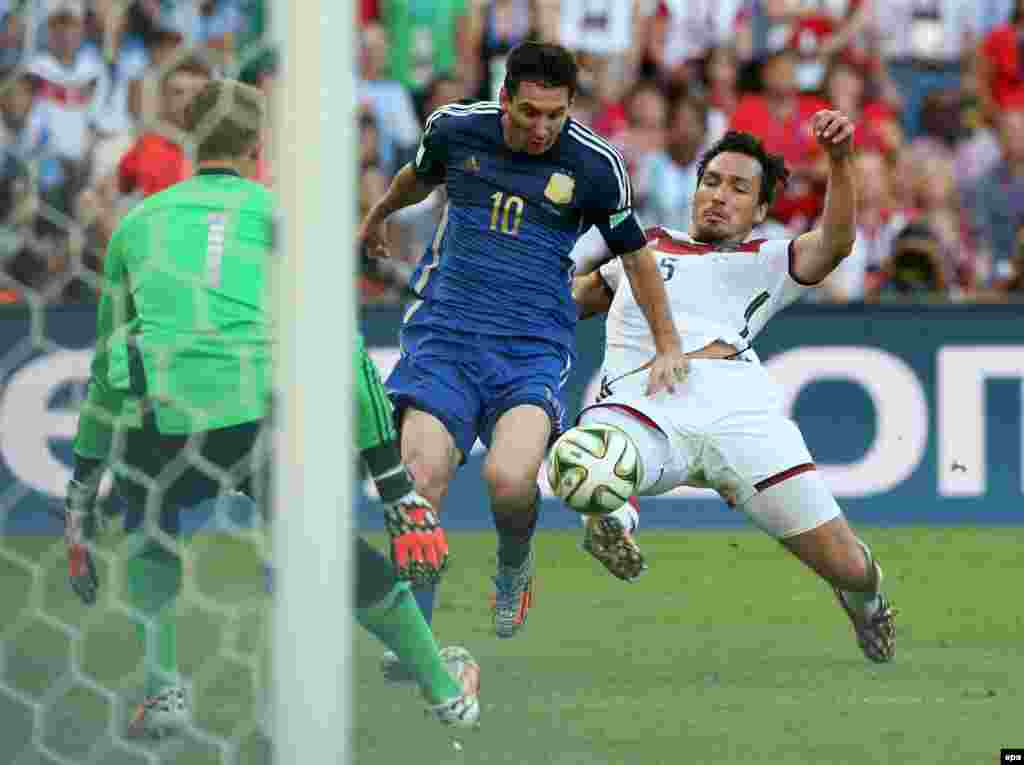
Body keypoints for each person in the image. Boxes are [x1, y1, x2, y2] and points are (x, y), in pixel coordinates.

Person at [62, 79, 479, 739]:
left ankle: (163, 686)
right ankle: (441, 687)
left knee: (150, 517)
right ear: (260, 146)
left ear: (188, 141)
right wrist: (394, 486)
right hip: (269, 419)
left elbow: (110, 372)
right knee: (332, 553)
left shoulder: (135, 227)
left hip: (171, 420)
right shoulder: (288, 220)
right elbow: (345, 353)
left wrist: (80, 496)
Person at [359, 41, 687, 641]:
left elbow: (636, 258)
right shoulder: (457, 130)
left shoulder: (595, 166)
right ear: (504, 97)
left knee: (509, 483)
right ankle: (418, 642)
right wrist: (377, 215)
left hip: (529, 347)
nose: (541, 128)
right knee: (420, 481)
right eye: (529, 112)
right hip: (445, 337)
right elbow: (417, 178)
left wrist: (668, 343)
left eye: (554, 115)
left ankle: (514, 565)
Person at [568, 115, 897, 663]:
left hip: (738, 411)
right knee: (586, 456)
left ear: (761, 211)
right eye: (712, 181)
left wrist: (839, 161)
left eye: (739, 188)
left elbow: (837, 240)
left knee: (847, 564)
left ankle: (864, 601)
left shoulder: (769, 261)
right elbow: (567, 303)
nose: (719, 196)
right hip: (643, 401)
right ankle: (612, 521)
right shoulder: (644, 247)